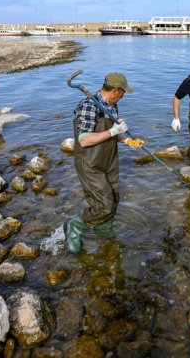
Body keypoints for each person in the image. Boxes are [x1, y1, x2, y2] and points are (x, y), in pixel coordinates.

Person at [64, 72, 144, 254]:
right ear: (115, 90)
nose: (123, 96)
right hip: (90, 163)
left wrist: (127, 141)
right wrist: (113, 131)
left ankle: (103, 229)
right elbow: (84, 140)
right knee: (103, 205)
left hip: (109, 160)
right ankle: (75, 226)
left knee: (114, 199)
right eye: (123, 92)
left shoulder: (111, 105)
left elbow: (113, 133)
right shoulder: (88, 106)